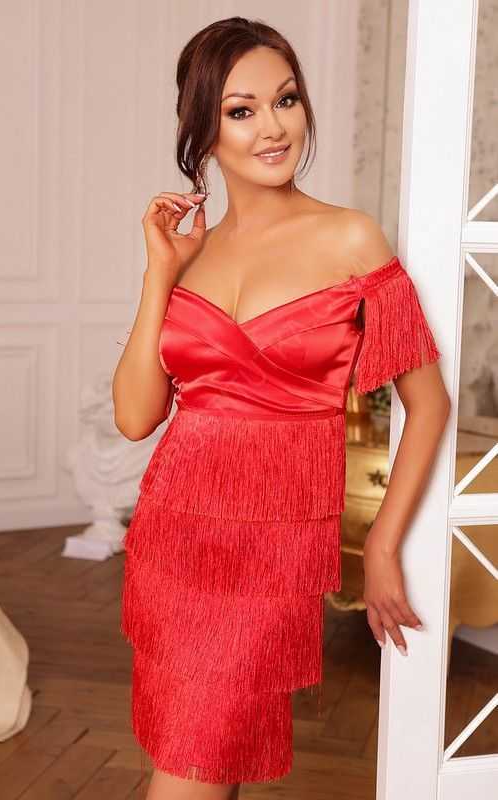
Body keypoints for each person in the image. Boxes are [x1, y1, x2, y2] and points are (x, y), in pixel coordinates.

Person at [112, 16, 451, 800]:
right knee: (200, 760)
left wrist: (382, 546)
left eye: (285, 100)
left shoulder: (350, 238)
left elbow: (427, 405)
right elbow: (135, 417)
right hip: (175, 536)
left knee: (196, 764)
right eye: (242, 110)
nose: (272, 126)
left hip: (274, 545)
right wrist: (159, 273)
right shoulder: (191, 251)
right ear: (203, 129)